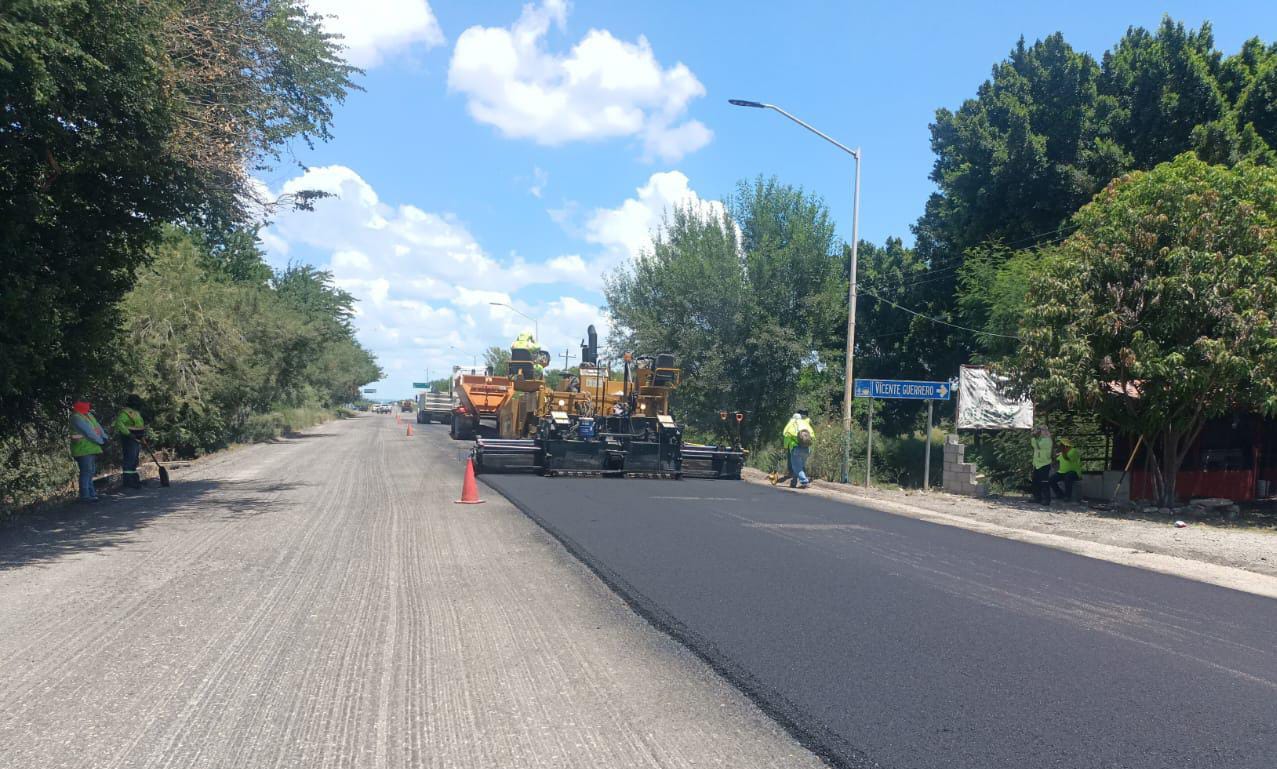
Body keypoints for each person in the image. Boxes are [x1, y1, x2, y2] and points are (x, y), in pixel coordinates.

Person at [69, 401, 108, 503]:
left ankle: (92, 494)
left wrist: (104, 436)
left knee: (90, 472)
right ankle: (85, 496)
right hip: (82, 449)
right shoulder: (76, 417)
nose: (88, 407)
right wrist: (101, 440)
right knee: (86, 472)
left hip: (91, 448)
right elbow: (88, 432)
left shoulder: (88, 415)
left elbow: (97, 427)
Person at [114, 394, 147, 489]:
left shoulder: (136, 412)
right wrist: (128, 434)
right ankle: (128, 482)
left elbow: (140, 427)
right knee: (129, 460)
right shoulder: (125, 413)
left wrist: (142, 438)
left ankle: (134, 480)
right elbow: (119, 424)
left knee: (134, 460)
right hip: (129, 439)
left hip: (137, 439)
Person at [780, 410, 815, 489]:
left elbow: (787, 437)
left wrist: (786, 446)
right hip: (806, 449)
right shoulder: (805, 424)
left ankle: (804, 482)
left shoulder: (792, 425)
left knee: (796, 467)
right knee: (799, 466)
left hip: (796, 449)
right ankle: (793, 482)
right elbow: (812, 437)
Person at [1051, 437, 1082, 502]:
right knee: (1052, 479)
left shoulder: (1073, 451)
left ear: (1065, 446)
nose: (1059, 446)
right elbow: (1055, 459)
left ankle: (1068, 496)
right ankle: (1060, 494)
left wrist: (1062, 452)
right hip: (1062, 472)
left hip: (1074, 472)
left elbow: (1067, 458)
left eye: (1061, 445)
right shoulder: (1062, 453)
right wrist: (1054, 453)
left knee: (1068, 477)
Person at [1030, 424, 1053, 506]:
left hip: (1044, 464)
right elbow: (1034, 446)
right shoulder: (1040, 439)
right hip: (1037, 464)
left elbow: (1037, 445)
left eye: (1042, 430)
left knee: (1044, 482)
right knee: (1035, 481)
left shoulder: (1047, 440)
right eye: (1040, 430)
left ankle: (1047, 499)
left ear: (1046, 431)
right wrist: (1035, 437)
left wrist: (1033, 437)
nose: (1040, 431)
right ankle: (1037, 498)